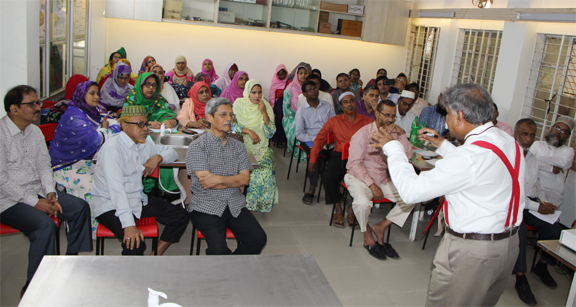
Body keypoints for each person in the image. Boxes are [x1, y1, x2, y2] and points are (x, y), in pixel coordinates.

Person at [371, 83, 524, 306]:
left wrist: (393, 148)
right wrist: (443, 145)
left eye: (449, 114)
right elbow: (478, 170)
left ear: (460, 116)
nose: (446, 121)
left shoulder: (469, 157)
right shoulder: (508, 142)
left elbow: (412, 192)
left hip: (473, 254)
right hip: (507, 246)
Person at [1, 85, 92, 294]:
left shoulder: (34, 132)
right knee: (45, 226)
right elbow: (1, 180)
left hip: (37, 191)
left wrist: (50, 192)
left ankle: (70, 266)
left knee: (79, 207)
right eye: (31, 104)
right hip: (8, 200)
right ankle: (35, 286)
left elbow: (44, 165)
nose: (37, 108)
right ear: (14, 109)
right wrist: (35, 202)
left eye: (37, 102)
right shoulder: (1, 134)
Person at [92, 105, 189, 256]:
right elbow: (116, 190)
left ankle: (154, 257)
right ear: (124, 125)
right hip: (110, 205)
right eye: (140, 124)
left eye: (146, 124)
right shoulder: (112, 148)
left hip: (136, 199)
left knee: (180, 216)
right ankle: (131, 277)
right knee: (135, 243)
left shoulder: (145, 142)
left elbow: (171, 152)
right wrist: (129, 225)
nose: (145, 129)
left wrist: (158, 157)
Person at [186, 97, 267, 255]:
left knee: (258, 239)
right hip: (206, 205)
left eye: (231, 115)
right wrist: (234, 181)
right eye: (223, 114)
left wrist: (218, 179)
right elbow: (206, 183)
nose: (229, 119)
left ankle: (233, 268)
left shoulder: (238, 146)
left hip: (234, 203)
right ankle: (227, 270)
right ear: (210, 117)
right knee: (218, 249)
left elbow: (245, 179)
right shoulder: (197, 146)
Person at [345, 100, 413, 260]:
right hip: (359, 177)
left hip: (383, 178)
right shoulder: (363, 133)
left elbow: (408, 156)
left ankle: (381, 226)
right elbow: (354, 163)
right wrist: (372, 185)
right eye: (387, 115)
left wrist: (401, 133)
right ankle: (367, 233)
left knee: (411, 197)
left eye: (393, 116)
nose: (390, 119)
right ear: (377, 113)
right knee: (362, 203)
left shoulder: (395, 134)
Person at [50, 81, 118, 238]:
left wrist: (110, 125)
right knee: (92, 186)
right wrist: (107, 128)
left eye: (97, 93)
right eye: (92, 93)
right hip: (65, 165)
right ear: (82, 95)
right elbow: (96, 139)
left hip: (83, 161)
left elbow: (110, 119)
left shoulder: (91, 110)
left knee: (107, 179)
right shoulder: (73, 115)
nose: (96, 97)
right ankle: (86, 232)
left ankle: (102, 225)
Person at [512, 118, 563, 306]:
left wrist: (544, 203)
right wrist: (537, 207)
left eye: (532, 135)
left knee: (555, 231)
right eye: (524, 134)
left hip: (532, 204)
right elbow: (514, 192)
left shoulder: (533, 158)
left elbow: (535, 185)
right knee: (521, 233)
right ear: (516, 134)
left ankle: (542, 266)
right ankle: (520, 278)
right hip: (514, 206)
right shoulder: (511, 156)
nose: (528, 138)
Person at [308, 92, 373, 227]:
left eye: (352, 101)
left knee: (370, 177)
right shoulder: (334, 121)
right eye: (345, 102)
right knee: (327, 176)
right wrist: (313, 159)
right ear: (341, 106)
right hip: (341, 156)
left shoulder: (367, 121)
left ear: (356, 103)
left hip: (362, 158)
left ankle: (351, 209)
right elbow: (320, 139)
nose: (349, 104)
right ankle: (338, 208)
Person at [232, 80, 278, 213]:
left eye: (259, 92)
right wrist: (248, 131)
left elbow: (270, 133)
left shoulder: (265, 106)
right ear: (247, 92)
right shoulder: (238, 104)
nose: (257, 96)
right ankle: (242, 204)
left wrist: (264, 113)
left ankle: (257, 205)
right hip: (239, 148)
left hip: (261, 149)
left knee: (265, 172)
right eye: (253, 92)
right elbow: (232, 125)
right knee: (243, 173)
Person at [295, 80, 336, 204]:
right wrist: (318, 140)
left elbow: (335, 125)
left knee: (338, 156)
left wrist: (329, 139)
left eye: (315, 88)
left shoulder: (327, 106)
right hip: (310, 139)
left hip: (328, 140)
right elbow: (299, 134)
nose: (313, 91)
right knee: (317, 156)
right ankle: (312, 188)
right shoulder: (301, 111)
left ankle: (333, 187)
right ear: (304, 94)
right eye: (310, 90)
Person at [530, 116, 575, 210]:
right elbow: (529, 162)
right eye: (557, 128)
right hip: (533, 189)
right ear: (551, 128)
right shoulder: (537, 145)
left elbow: (564, 163)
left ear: (568, 136)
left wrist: (538, 159)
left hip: (553, 194)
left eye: (563, 131)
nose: (558, 132)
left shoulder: (568, 151)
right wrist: (550, 168)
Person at [283, 63, 311, 158]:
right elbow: (286, 107)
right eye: (301, 73)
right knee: (297, 126)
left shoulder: (309, 89)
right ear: (296, 75)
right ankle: (300, 153)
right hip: (291, 117)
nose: (303, 75)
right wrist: (296, 117)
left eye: (305, 73)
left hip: (307, 116)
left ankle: (312, 153)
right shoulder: (290, 89)